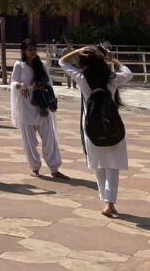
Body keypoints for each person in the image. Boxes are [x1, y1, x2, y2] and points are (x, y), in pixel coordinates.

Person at [60, 45, 133, 217]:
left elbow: (62, 62)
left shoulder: (82, 78)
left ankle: (106, 201)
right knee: (112, 165)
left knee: (99, 165)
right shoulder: (111, 78)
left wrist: (77, 51)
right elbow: (129, 73)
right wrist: (112, 59)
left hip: (92, 128)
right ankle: (109, 202)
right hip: (112, 126)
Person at [11, 39, 66, 178]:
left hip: (41, 107)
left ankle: (54, 168)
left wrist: (43, 86)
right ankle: (35, 167)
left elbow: (49, 82)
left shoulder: (41, 65)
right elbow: (13, 83)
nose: (33, 52)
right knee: (29, 141)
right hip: (26, 107)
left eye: (34, 49)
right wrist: (21, 85)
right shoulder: (19, 65)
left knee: (49, 139)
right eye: (30, 49)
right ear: (24, 51)